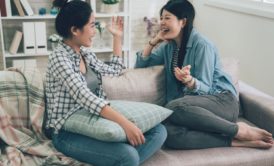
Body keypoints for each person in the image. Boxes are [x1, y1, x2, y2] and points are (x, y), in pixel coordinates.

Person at [135, 0, 273, 149]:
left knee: (173, 107)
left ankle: (239, 130)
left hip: (222, 102)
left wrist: (191, 82)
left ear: (183, 22)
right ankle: (234, 141)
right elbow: (140, 66)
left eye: (167, 18)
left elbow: (206, 89)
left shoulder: (202, 45)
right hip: (192, 110)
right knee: (167, 133)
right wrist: (154, 41)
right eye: (161, 18)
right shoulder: (169, 46)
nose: (162, 22)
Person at [44, 0, 167, 165]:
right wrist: (124, 123)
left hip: (95, 121)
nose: (94, 32)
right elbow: (85, 97)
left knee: (159, 131)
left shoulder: (85, 53)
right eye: (92, 25)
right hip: (67, 132)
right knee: (128, 156)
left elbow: (116, 70)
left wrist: (117, 37)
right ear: (74, 30)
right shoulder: (59, 59)